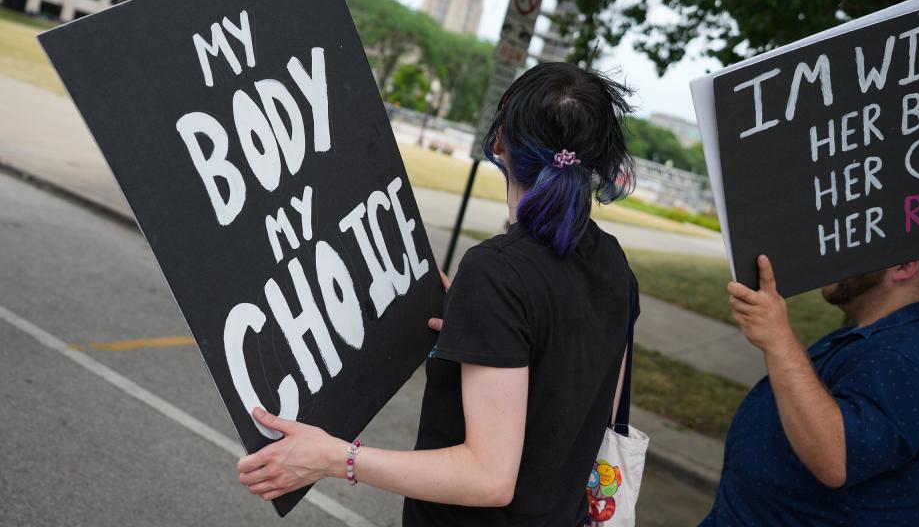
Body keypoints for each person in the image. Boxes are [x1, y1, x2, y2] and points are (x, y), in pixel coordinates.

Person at [236, 62, 641, 526]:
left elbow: (489, 477)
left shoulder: (497, 272)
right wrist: (490, 334)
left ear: (501, 140)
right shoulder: (613, 261)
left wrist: (336, 457)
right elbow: (594, 402)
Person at [701, 252, 919, 525]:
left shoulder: (911, 355)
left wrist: (778, 340)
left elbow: (838, 458)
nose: (831, 256)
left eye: (853, 246)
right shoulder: (886, 340)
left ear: (904, 266)